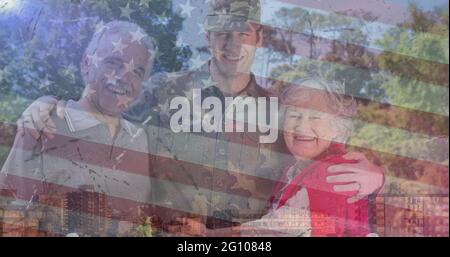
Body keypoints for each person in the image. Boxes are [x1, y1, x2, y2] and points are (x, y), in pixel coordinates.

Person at [14, 0, 384, 236]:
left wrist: (376, 175)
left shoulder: (282, 109)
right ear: (207, 37)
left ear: (260, 36)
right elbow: (104, 106)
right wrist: (45, 104)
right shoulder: (163, 89)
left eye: (243, 33)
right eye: (222, 33)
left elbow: (325, 153)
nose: (232, 45)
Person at [0, 21, 155, 236]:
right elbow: (7, 213)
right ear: (86, 63)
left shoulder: (139, 139)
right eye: (113, 62)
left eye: (137, 71)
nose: (125, 77)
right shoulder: (42, 124)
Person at [171, 77, 376, 237]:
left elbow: (273, 231)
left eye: (315, 117)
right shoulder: (294, 170)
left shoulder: (333, 172)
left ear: (337, 128)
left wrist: (208, 235)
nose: (302, 126)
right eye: (294, 116)